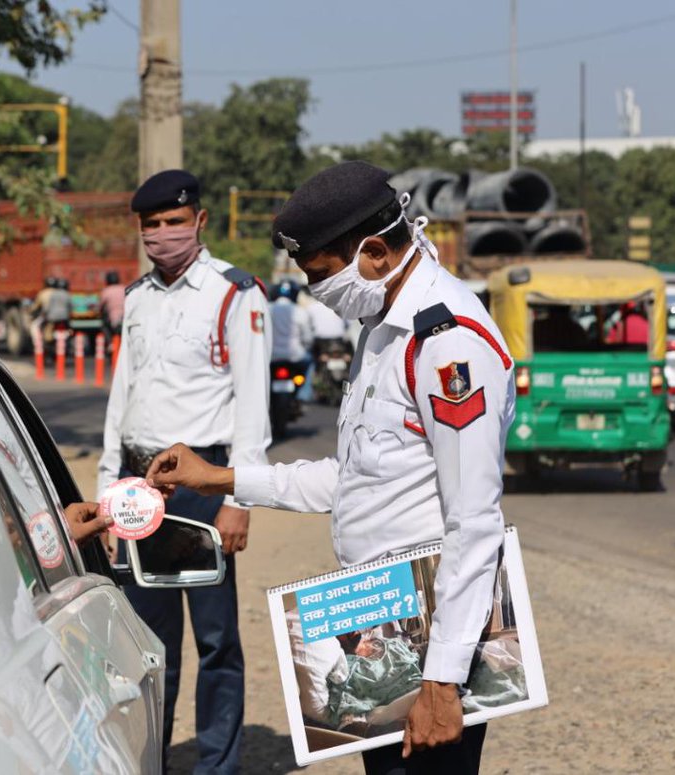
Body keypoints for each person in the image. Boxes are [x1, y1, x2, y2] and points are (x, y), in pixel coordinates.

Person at [144, 161, 514, 775]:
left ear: (372, 252)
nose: (319, 290)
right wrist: (222, 477)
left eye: (321, 274)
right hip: (380, 617)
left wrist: (443, 682)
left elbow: (473, 520)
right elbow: (355, 478)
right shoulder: (382, 328)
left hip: (430, 636)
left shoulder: (447, 340)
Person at [98, 168, 271, 774]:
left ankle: (217, 766)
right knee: (148, 644)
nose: (164, 233)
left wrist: (239, 497)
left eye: (175, 221)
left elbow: (253, 401)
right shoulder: (138, 298)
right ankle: (154, 761)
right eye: (152, 224)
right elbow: (123, 395)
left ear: (199, 221)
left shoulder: (235, 292)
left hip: (202, 485)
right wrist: (106, 487)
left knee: (217, 639)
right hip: (139, 486)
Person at [99, 270, 126, 342]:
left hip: (113, 322)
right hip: (126, 319)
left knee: (104, 326)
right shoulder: (124, 288)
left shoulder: (106, 291)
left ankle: (110, 343)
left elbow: (101, 307)